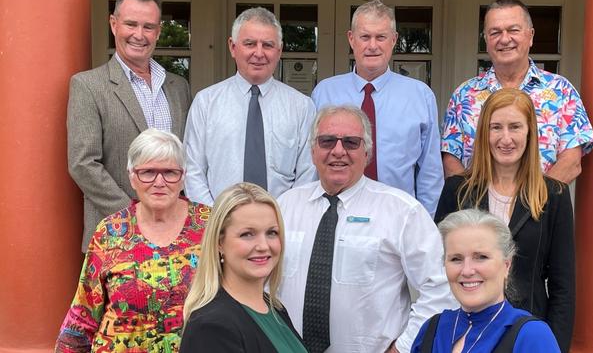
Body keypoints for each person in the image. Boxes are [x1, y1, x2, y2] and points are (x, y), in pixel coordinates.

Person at [277, 105, 456, 353]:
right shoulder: (284, 206)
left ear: (367, 153)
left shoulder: (402, 212)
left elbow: (441, 287)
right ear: (313, 150)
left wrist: (403, 347)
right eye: (327, 141)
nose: (338, 151)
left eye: (351, 142)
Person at [435, 88, 575, 352]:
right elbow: (437, 268)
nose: (506, 138)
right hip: (465, 332)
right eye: (496, 127)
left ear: (529, 133)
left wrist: (555, 346)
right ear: (483, 134)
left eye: (515, 127)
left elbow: (563, 286)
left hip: (528, 333)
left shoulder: (553, 195)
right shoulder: (457, 190)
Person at [55, 128, 210, 352]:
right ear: (132, 177)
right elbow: (83, 316)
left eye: (170, 172)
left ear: (183, 176)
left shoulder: (210, 225)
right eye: (147, 172)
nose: (159, 182)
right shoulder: (110, 232)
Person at [67, 0, 191, 252]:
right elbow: (83, 163)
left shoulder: (178, 87)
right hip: (114, 233)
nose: (139, 34)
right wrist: (134, 215)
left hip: (174, 235)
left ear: (158, 32)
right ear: (114, 24)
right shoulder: (88, 85)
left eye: (148, 27)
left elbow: (184, 158)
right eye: (131, 24)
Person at [441, 0, 593, 184]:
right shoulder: (464, 95)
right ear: (486, 40)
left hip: (540, 208)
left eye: (513, 30)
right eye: (495, 32)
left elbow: (571, 162)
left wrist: (533, 204)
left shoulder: (561, 91)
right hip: (477, 210)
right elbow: (450, 160)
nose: (505, 39)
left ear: (530, 36)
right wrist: (475, 204)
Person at [311, 0, 443, 214]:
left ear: (394, 39)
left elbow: (430, 171)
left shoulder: (420, 96)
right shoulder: (324, 92)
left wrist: (426, 222)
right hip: (335, 211)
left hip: (398, 215)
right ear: (352, 39)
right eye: (365, 37)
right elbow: (313, 163)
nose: (372, 45)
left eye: (380, 37)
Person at [183, 7, 316, 205]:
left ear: (279, 51)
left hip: (282, 226)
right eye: (250, 43)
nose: (259, 53)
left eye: (268, 45)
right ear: (233, 47)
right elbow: (192, 172)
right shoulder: (206, 102)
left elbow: (308, 174)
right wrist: (217, 221)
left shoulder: (302, 107)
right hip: (218, 225)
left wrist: (281, 220)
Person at [411, 209, 560, 352]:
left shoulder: (531, 336)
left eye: (481, 257)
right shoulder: (432, 330)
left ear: (506, 265)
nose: (467, 270)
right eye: (456, 259)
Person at [180, 183, 305, 353]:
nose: (263, 245)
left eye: (272, 233)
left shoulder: (275, 308)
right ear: (219, 242)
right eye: (247, 234)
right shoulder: (211, 327)